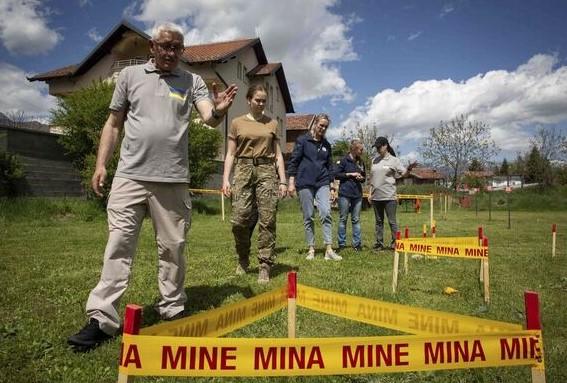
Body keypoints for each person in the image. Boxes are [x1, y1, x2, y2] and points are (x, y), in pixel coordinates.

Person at [67, 22, 238, 352]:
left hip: (173, 179)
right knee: (118, 245)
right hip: (130, 177)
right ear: (152, 47)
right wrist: (102, 164)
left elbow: (210, 117)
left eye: (177, 47)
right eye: (165, 46)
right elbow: (114, 123)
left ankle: (172, 310)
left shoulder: (192, 81)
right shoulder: (129, 77)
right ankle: (102, 320)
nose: (171, 52)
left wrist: (219, 109)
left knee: (173, 248)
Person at [222, 84, 287, 283]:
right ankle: (243, 258)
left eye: (263, 101)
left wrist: (283, 181)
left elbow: (278, 155)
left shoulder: (272, 123)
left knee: (268, 219)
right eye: (257, 100)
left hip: (267, 171)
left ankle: (265, 264)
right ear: (249, 100)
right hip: (243, 170)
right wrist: (225, 179)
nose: (261, 104)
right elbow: (231, 153)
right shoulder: (236, 122)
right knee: (239, 220)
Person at [287, 113, 342, 261]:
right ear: (315, 124)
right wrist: (291, 182)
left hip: (322, 182)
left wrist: (332, 186)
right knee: (309, 216)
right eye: (321, 125)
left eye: (325, 126)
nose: (323, 128)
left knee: (325, 212)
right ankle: (311, 248)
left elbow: (330, 166)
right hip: (305, 182)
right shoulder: (303, 140)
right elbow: (294, 161)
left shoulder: (327, 145)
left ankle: (329, 249)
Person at [369, 136, 416, 250]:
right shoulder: (374, 160)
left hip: (389, 196)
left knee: (392, 221)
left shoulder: (394, 160)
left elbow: (404, 174)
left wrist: (409, 169)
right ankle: (379, 244)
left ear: (386, 146)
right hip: (376, 197)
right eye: (376, 147)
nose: (377, 149)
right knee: (378, 222)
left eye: (379, 147)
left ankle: (396, 243)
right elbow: (372, 178)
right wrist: (370, 193)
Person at [334, 139, 366, 252]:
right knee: (343, 219)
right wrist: (350, 174)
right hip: (345, 194)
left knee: (356, 219)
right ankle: (341, 244)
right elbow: (336, 174)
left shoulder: (361, 162)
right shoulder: (343, 161)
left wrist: (361, 178)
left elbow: (364, 177)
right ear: (354, 149)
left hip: (357, 194)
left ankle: (357, 244)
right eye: (361, 149)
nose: (362, 151)